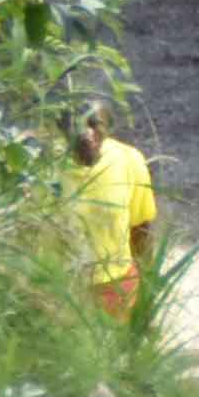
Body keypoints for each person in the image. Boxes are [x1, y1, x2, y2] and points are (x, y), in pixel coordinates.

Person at [65, 104, 158, 321]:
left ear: (107, 130)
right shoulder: (40, 166)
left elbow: (141, 232)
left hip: (114, 288)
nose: (87, 134)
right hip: (55, 287)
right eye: (77, 126)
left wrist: (148, 299)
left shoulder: (128, 159)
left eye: (94, 126)